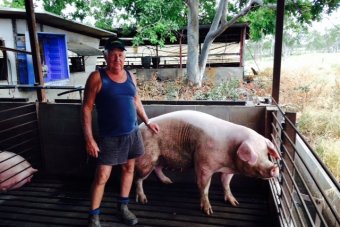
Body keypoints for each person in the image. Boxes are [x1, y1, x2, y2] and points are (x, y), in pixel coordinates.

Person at [82, 37, 160, 227]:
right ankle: (93, 216)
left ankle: (123, 207)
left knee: (129, 169)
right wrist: (89, 139)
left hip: (132, 134)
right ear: (106, 56)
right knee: (102, 176)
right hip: (109, 137)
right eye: (113, 55)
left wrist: (147, 121)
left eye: (120, 55)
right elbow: (86, 108)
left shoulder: (130, 76)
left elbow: (136, 100)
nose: (117, 59)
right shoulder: (97, 77)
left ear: (124, 57)